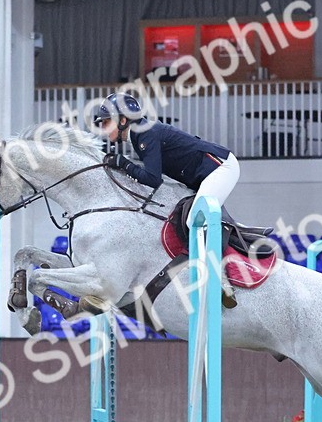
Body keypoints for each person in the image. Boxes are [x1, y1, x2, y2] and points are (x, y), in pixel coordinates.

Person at [93, 92, 240, 306]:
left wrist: (124, 164)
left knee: (195, 219)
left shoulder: (145, 134)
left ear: (123, 120)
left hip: (220, 168)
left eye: (107, 122)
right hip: (200, 176)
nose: (104, 129)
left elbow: (153, 179)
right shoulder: (139, 135)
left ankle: (221, 281)